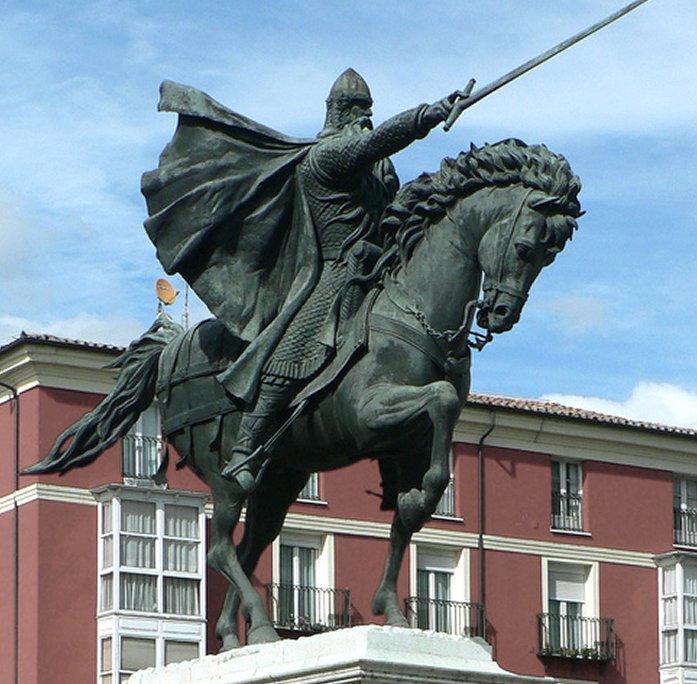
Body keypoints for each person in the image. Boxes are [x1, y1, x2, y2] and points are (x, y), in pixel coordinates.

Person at [142, 69, 469, 492]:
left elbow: (391, 208)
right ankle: (248, 444)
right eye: (359, 112)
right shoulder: (326, 157)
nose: (365, 120)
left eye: (370, 113)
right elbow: (375, 142)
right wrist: (429, 114)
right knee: (296, 348)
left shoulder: (371, 169)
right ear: (340, 113)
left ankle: (401, 456)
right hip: (333, 274)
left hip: (378, 271)